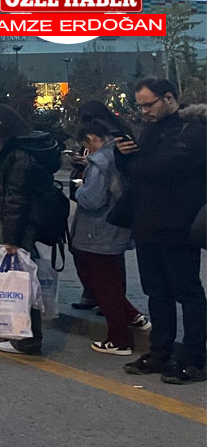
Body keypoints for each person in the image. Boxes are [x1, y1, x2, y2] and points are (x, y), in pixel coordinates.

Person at [115, 78, 207, 384]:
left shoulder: (193, 130)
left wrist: (135, 163)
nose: (144, 112)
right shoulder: (150, 129)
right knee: (157, 293)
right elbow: (137, 167)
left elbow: (168, 168)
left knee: (188, 293)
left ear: (169, 98)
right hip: (147, 225)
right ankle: (160, 352)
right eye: (140, 105)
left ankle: (195, 358)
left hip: (179, 226)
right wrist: (123, 155)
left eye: (148, 104)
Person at [0, 105, 61, 355]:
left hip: (22, 226)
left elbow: (16, 199)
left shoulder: (18, 156)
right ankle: (24, 336)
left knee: (19, 282)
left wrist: (11, 239)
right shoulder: (26, 149)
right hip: (31, 222)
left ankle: (26, 339)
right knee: (25, 280)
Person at [71, 119, 148, 355]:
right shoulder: (118, 155)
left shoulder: (100, 162)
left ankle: (119, 339)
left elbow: (92, 200)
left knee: (105, 285)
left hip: (98, 230)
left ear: (92, 139)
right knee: (109, 282)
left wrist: (79, 188)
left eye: (87, 145)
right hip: (115, 228)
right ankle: (133, 316)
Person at [68, 100, 132, 310]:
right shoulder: (97, 142)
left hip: (107, 204)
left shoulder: (115, 138)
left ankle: (114, 306)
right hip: (92, 186)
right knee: (89, 256)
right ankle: (97, 296)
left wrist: (92, 165)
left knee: (107, 261)